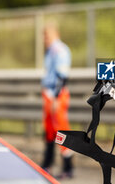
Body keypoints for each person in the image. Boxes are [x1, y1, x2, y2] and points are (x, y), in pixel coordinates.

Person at [41, 22, 74, 179]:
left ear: (55, 34)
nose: (44, 39)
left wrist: (56, 98)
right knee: (49, 131)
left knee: (61, 131)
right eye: (43, 35)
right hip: (50, 95)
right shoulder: (50, 51)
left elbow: (62, 76)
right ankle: (47, 165)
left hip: (56, 95)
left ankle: (68, 167)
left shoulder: (59, 50)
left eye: (47, 35)